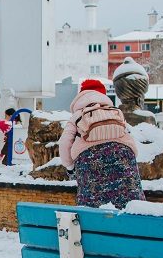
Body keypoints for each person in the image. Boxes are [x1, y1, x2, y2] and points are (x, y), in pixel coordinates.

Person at [58, 79, 144, 208]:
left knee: (91, 207)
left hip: (89, 161)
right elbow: (129, 137)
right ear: (103, 95)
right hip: (123, 156)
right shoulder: (114, 111)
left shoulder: (78, 115)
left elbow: (64, 142)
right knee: (131, 204)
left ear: (81, 95)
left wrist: (70, 167)